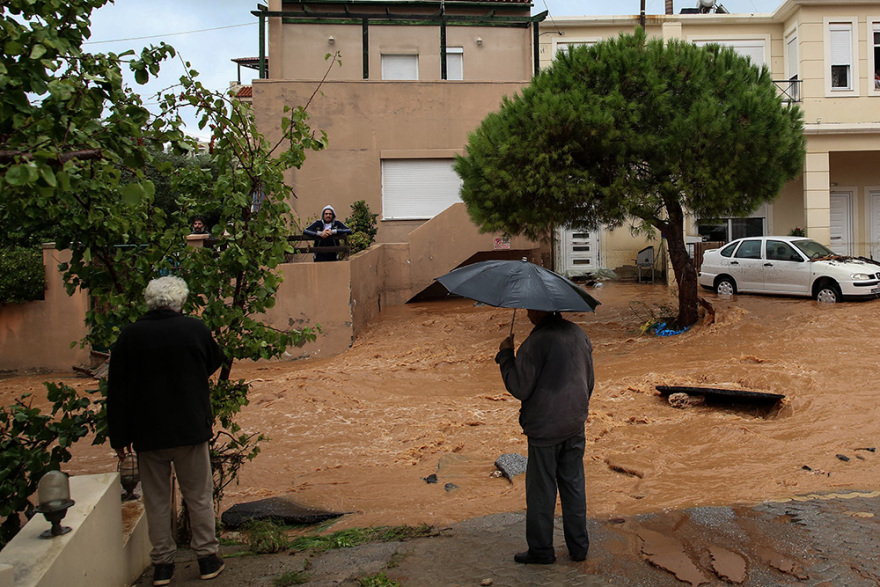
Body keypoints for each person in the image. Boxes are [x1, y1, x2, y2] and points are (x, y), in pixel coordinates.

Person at [108, 276, 226, 586]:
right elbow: (214, 361)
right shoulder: (195, 329)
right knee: (199, 496)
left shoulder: (130, 336)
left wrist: (119, 437)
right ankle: (207, 559)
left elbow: (117, 390)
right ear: (180, 301)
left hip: (148, 434)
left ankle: (163, 566)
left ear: (149, 300)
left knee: (156, 501)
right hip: (190, 429)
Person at [495, 309, 594, 565]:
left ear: (540, 311)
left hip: (545, 428)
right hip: (575, 422)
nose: (527, 313)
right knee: (573, 484)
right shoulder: (578, 333)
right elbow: (589, 381)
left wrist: (506, 355)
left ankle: (541, 550)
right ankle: (579, 547)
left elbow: (519, 387)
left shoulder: (534, 343)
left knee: (541, 489)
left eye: (530, 309)